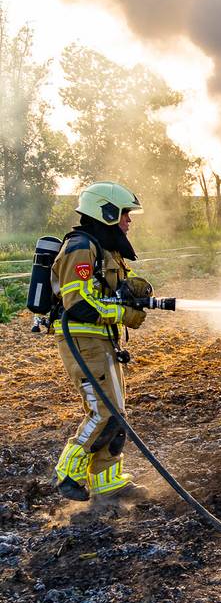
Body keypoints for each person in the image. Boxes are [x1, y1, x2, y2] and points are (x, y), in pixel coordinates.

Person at [50, 182, 150, 501]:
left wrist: (129, 293)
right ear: (105, 212)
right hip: (83, 342)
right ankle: (69, 472)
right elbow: (77, 304)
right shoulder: (80, 246)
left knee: (116, 411)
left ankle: (108, 480)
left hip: (102, 342)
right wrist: (121, 314)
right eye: (124, 214)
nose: (128, 222)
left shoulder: (105, 249)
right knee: (103, 411)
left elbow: (104, 294)